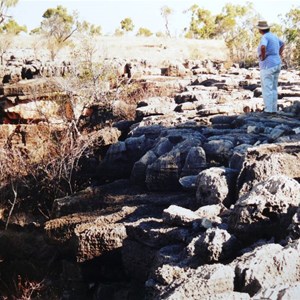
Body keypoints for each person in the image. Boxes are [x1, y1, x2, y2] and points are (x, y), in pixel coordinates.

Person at [256, 20, 285, 114]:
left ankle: (268, 110)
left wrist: (263, 56)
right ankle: (273, 109)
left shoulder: (264, 37)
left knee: (267, 87)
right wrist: (279, 53)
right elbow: (283, 43)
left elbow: (263, 47)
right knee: (274, 88)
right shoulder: (274, 36)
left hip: (268, 65)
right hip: (277, 63)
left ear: (260, 30)